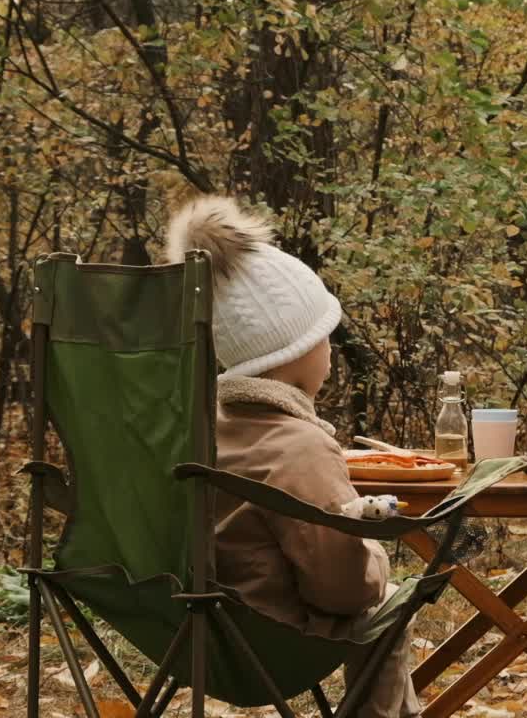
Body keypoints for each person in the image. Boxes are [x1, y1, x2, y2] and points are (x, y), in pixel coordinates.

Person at [166, 196, 421, 718]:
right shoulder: (300, 446)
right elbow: (344, 593)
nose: (329, 350)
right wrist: (376, 557)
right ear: (299, 351)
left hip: (187, 632)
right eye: (324, 337)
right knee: (392, 602)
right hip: (274, 641)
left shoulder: (199, 432)